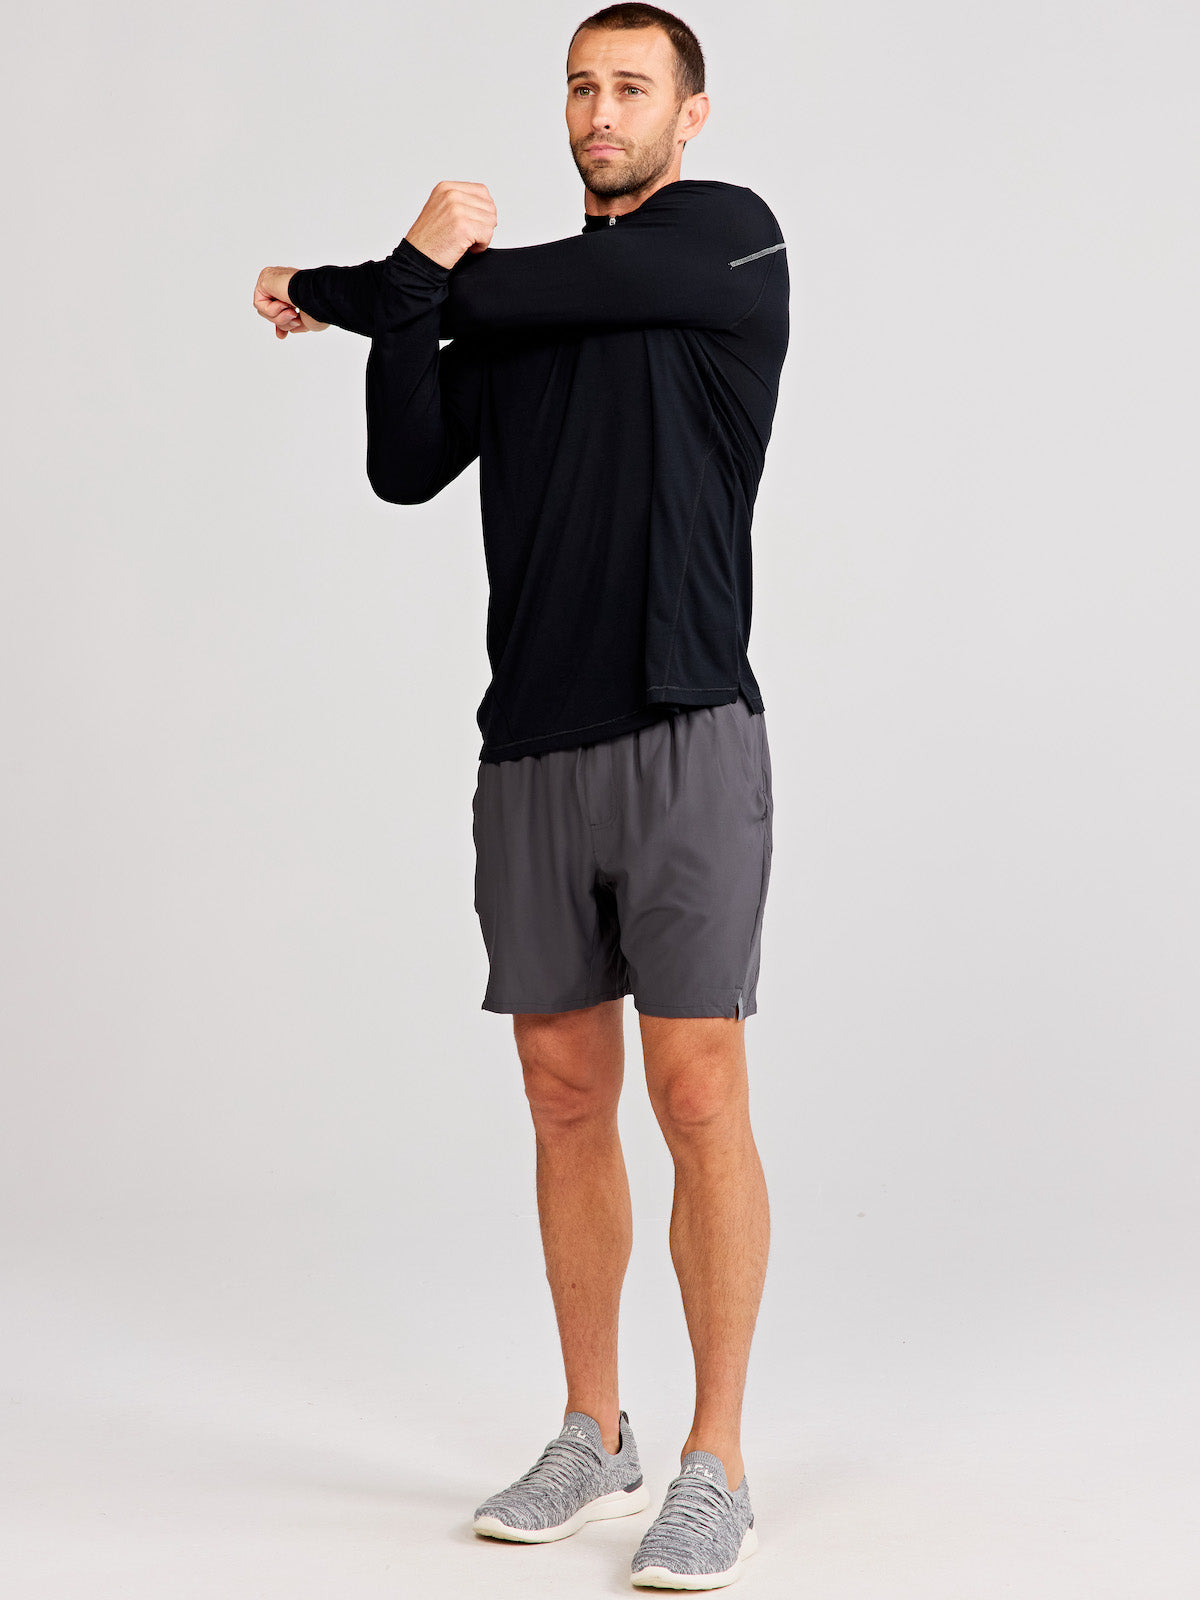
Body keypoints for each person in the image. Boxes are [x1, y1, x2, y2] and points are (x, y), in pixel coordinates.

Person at [254, 4, 788, 1588]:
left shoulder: (726, 243)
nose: (601, 110)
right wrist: (406, 304)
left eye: (632, 87)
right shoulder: (504, 304)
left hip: (686, 727)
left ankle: (716, 1459)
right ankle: (594, 1431)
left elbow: (488, 290)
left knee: (698, 1093)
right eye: (580, 87)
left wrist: (352, 284)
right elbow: (405, 463)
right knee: (564, 1095)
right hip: (531, 745)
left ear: (691, 114)